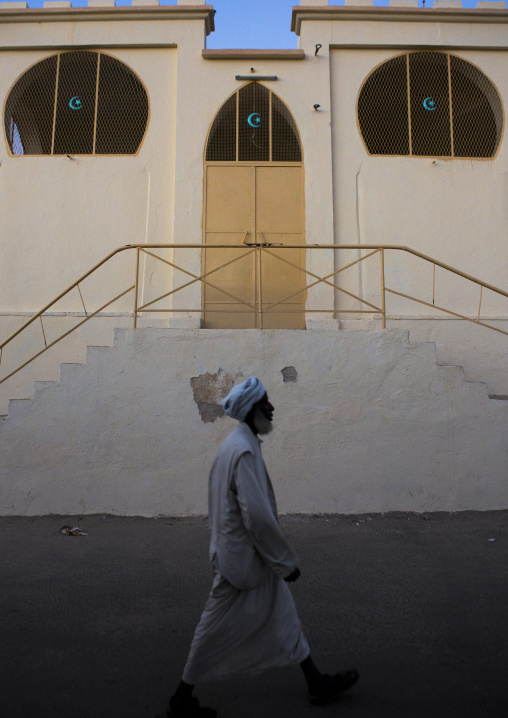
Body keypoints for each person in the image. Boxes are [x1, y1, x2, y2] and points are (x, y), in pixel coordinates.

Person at [168, 377, 359, 718]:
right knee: (211, 629)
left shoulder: (238, 443)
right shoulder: (242, 449)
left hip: (244, 556)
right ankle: (181, 699)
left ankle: (315, 682)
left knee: (285, 615)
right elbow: (256, 515)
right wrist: (285, 562)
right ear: (251, 410)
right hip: (240, 560)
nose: (272, 408)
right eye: (265, 403)